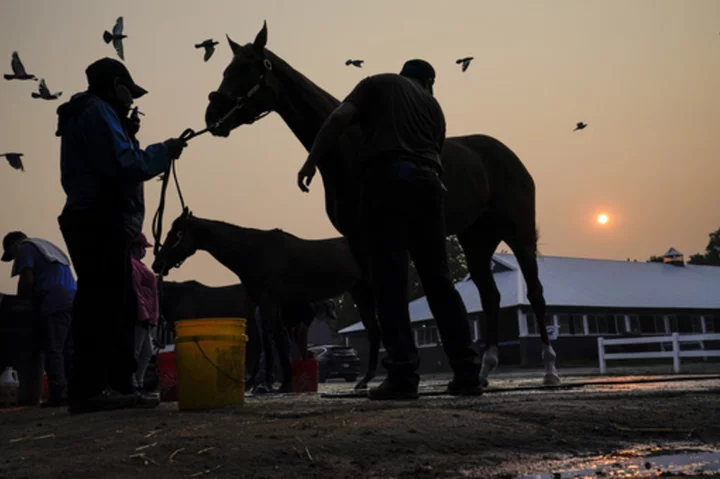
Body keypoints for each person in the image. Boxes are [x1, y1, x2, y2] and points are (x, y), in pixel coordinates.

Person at [297, 59, 482, 400]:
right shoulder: (434, 107)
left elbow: (338, 117)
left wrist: (312, 160)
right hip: (430, 190)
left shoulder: (378, 83)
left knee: (389, 280)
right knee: (439, 280)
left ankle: (403, 375)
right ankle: (468, 372)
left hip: (387, 184)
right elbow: (436, 152)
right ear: (429, 82)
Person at [55, 57, 187, 413]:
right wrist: (163, 151)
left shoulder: (91, 113)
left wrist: (128, 134)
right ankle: (92, 389)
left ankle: (113, 386)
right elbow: (123, 164)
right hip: (98, 220)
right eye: (130, 92)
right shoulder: (97, 113)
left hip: (97, 220)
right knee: (104, 305)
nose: (132, 100)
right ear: (116, 86)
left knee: (116, 304)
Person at [2, 231, 76, 407]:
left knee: (53, 349)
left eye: (12, 255)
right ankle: (73, 392)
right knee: (68, 350)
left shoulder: (25, 248)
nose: (14, 259)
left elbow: (26, 280)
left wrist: (21, 303)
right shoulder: (47, 247)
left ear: (13, 245)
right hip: (72, 299)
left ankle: (58, 394)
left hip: (53, 301)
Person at [130, 233, 159, 394]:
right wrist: (144, 315)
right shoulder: (132, 266)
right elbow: (137, 292)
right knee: (136, 351)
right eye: (142, 247)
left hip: (146, 315)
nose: (144, 250)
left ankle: (138, 382)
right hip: (140, 316)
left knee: (146, 352)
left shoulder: (139, 265)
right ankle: (133, 383)